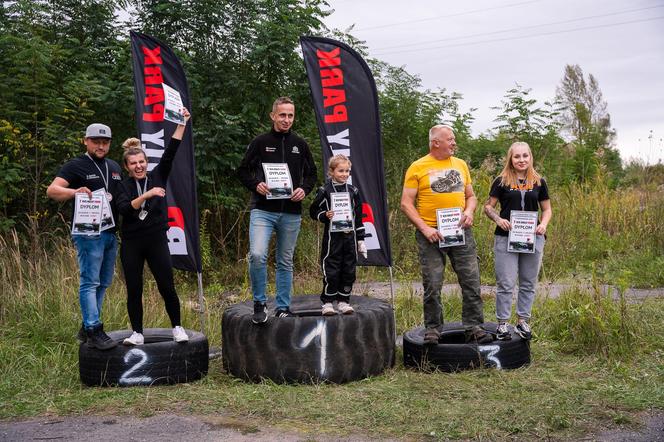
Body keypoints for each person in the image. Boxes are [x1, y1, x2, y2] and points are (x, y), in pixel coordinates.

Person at [400, 124, 492, 344]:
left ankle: (474, 327)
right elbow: (406, 203)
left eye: (454, 139)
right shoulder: (417, 167)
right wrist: (425, 228)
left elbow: (471, 196)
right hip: (431, 235)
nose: (453, 143)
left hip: (461, 232)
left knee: (471, 280)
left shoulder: (460, 165)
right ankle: (433, 329)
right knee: (432, 283)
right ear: (436, 143)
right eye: (449, 139)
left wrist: (469, 211)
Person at [115, 108, 191, 345]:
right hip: (131, 243)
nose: (138, 166)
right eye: (133, 163)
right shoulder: (123, 186)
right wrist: (147, 194)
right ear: (127, 166)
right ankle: (137, 333)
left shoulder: (158, 175)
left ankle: (177, 327)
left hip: (156, 239)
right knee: (134, 288)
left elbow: (171, 150)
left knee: (166, 285)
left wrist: (182, 123)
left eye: (141, 162)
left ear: (147, 162)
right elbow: (126, 209)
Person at [237, 96, 317, 324]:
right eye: (282, 115)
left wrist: (304, 189)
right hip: (263, 209)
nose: (286, 119)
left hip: (291, 212)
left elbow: (312, 173)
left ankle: (283, 307)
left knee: (285, 260)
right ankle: (259, 303)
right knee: (258, 254)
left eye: (290, 115)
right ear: (273, 115)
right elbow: (242, 170)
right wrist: (256, 185)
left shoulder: (300, 144)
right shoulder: (260, 142)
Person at [47, 123, 121, 350]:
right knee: (90, 281)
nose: (100, 146)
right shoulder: (75, 165)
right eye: (96, 141)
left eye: (105, 142)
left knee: (104, 282)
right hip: (89, 233)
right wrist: (74, 191)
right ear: (85, 141)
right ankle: (93, 328)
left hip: (110, 232)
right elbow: (52, 190)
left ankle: (86, 328)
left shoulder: (114, 166)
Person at [483, 141, 552, 340]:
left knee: (528, 282)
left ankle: (523, 322)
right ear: (510, 159)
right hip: (506, 238)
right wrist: (498, 219)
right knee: (506, 282)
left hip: (533, 237)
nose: (521, 160)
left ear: (530, 157)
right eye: (517, 156)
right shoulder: (501, 180)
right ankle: (502, 324)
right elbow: (488, 207)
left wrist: (544, 225)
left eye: (525, 156)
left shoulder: (539, 181)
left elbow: (546, 209)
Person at [309, 154, 367, 315]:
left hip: (350, 238)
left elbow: (358, 216)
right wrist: (325, 215)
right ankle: (327, 303)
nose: (344, 174)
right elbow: (313, 211)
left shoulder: (353, 191)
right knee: (331, 269)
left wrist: (361, 239)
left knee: (349, 269)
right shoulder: (324, 190)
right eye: (341, 171)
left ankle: (343, 301)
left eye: (347, 171)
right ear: (332, 171)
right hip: (332, 240)